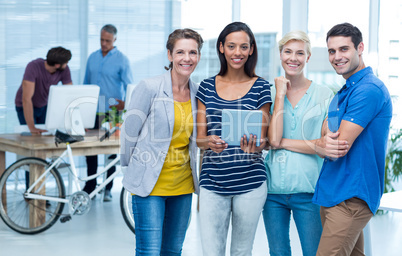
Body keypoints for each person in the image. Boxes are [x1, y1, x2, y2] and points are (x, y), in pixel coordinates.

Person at [120, 28, 203, 255]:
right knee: (149, 251)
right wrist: (134, 170)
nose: (187, 58)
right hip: (150, 186)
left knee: (173, 250)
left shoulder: (198, 93)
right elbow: (129, 133)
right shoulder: (150, 87)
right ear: (169, 55)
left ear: (198, 56)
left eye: (193, 53)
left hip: (183, 186)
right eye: (180, 52)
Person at [312, 23, 393, 256]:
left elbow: (336, 146)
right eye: (331, 51)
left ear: (360, 48)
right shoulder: (345, 91)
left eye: (344, 49)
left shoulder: (369, 90)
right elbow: (324, 138)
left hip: (350, 198)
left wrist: (321, 144)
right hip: (334, 192)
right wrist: (322, 143)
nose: (337, 57)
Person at [196, 21, 271, 255]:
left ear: (251, 50)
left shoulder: (262, 87)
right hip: (212, 182)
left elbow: (265, 140)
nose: (237, 52)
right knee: (211, 251)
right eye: (231, 46)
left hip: (251, 183)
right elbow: (199, 139)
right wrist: (208, 142)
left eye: (243, 47)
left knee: (241, 251)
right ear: (221, 48)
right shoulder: (206, 87)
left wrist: (256, 147)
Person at [263, 31, 334, 256]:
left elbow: (324, 147)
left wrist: (280, 142)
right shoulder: (269, 93)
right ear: (280, 55)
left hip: (309, 191)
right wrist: (281, 95)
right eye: (288, 52)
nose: (293, 58)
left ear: (308, 57)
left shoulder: (324, 94)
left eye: (300, 53)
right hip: (272, 191)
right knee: (278, 251)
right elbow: (268, 140)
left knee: (313, 251)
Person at [83, 24, 133, 201]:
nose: (104, 43)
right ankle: (90, 186)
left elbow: (129, 87)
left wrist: (126, 104)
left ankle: (107, 188)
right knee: (90, 149)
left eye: (107, 41)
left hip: (113, 112)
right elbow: (86, 85)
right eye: (101, 40)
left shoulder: (122, 60)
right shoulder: (92, 58)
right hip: (93, 111)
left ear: (115, 40)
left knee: (111, 151)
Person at [15, 47, 72, 134]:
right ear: (57, 65)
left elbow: (70, 94)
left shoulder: (64, 69)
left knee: (46, 133)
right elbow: (26, 99)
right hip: (25, 105)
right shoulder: (33, 67)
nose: (67, 64)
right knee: (33, 135)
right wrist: (32, 127)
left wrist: (76, 122)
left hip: (43, 105)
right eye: (66, 62)